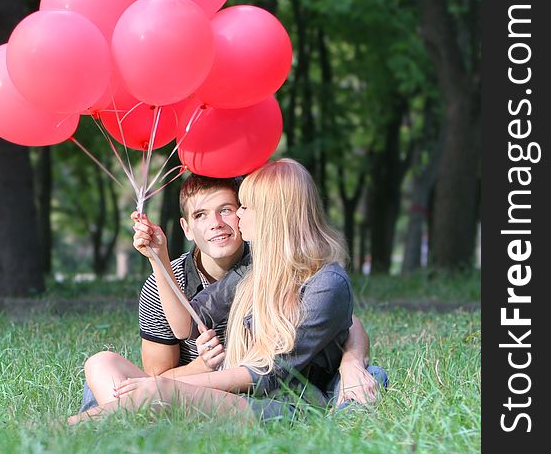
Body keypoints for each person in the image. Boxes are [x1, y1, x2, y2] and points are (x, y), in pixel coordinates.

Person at [70, 160, 386, 423]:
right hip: (225, 389)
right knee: (101, 364)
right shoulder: (250, 271)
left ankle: (95, 422)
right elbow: (187, 327)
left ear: (271, 216)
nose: (231, 219)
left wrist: (352, 362)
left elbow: (270, 372)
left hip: (281, 400)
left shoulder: (323, 281)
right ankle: (136, 415)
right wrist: (159, 258)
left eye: (238, 208)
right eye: (201, 215)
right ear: (187, 227)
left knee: (374, 376)